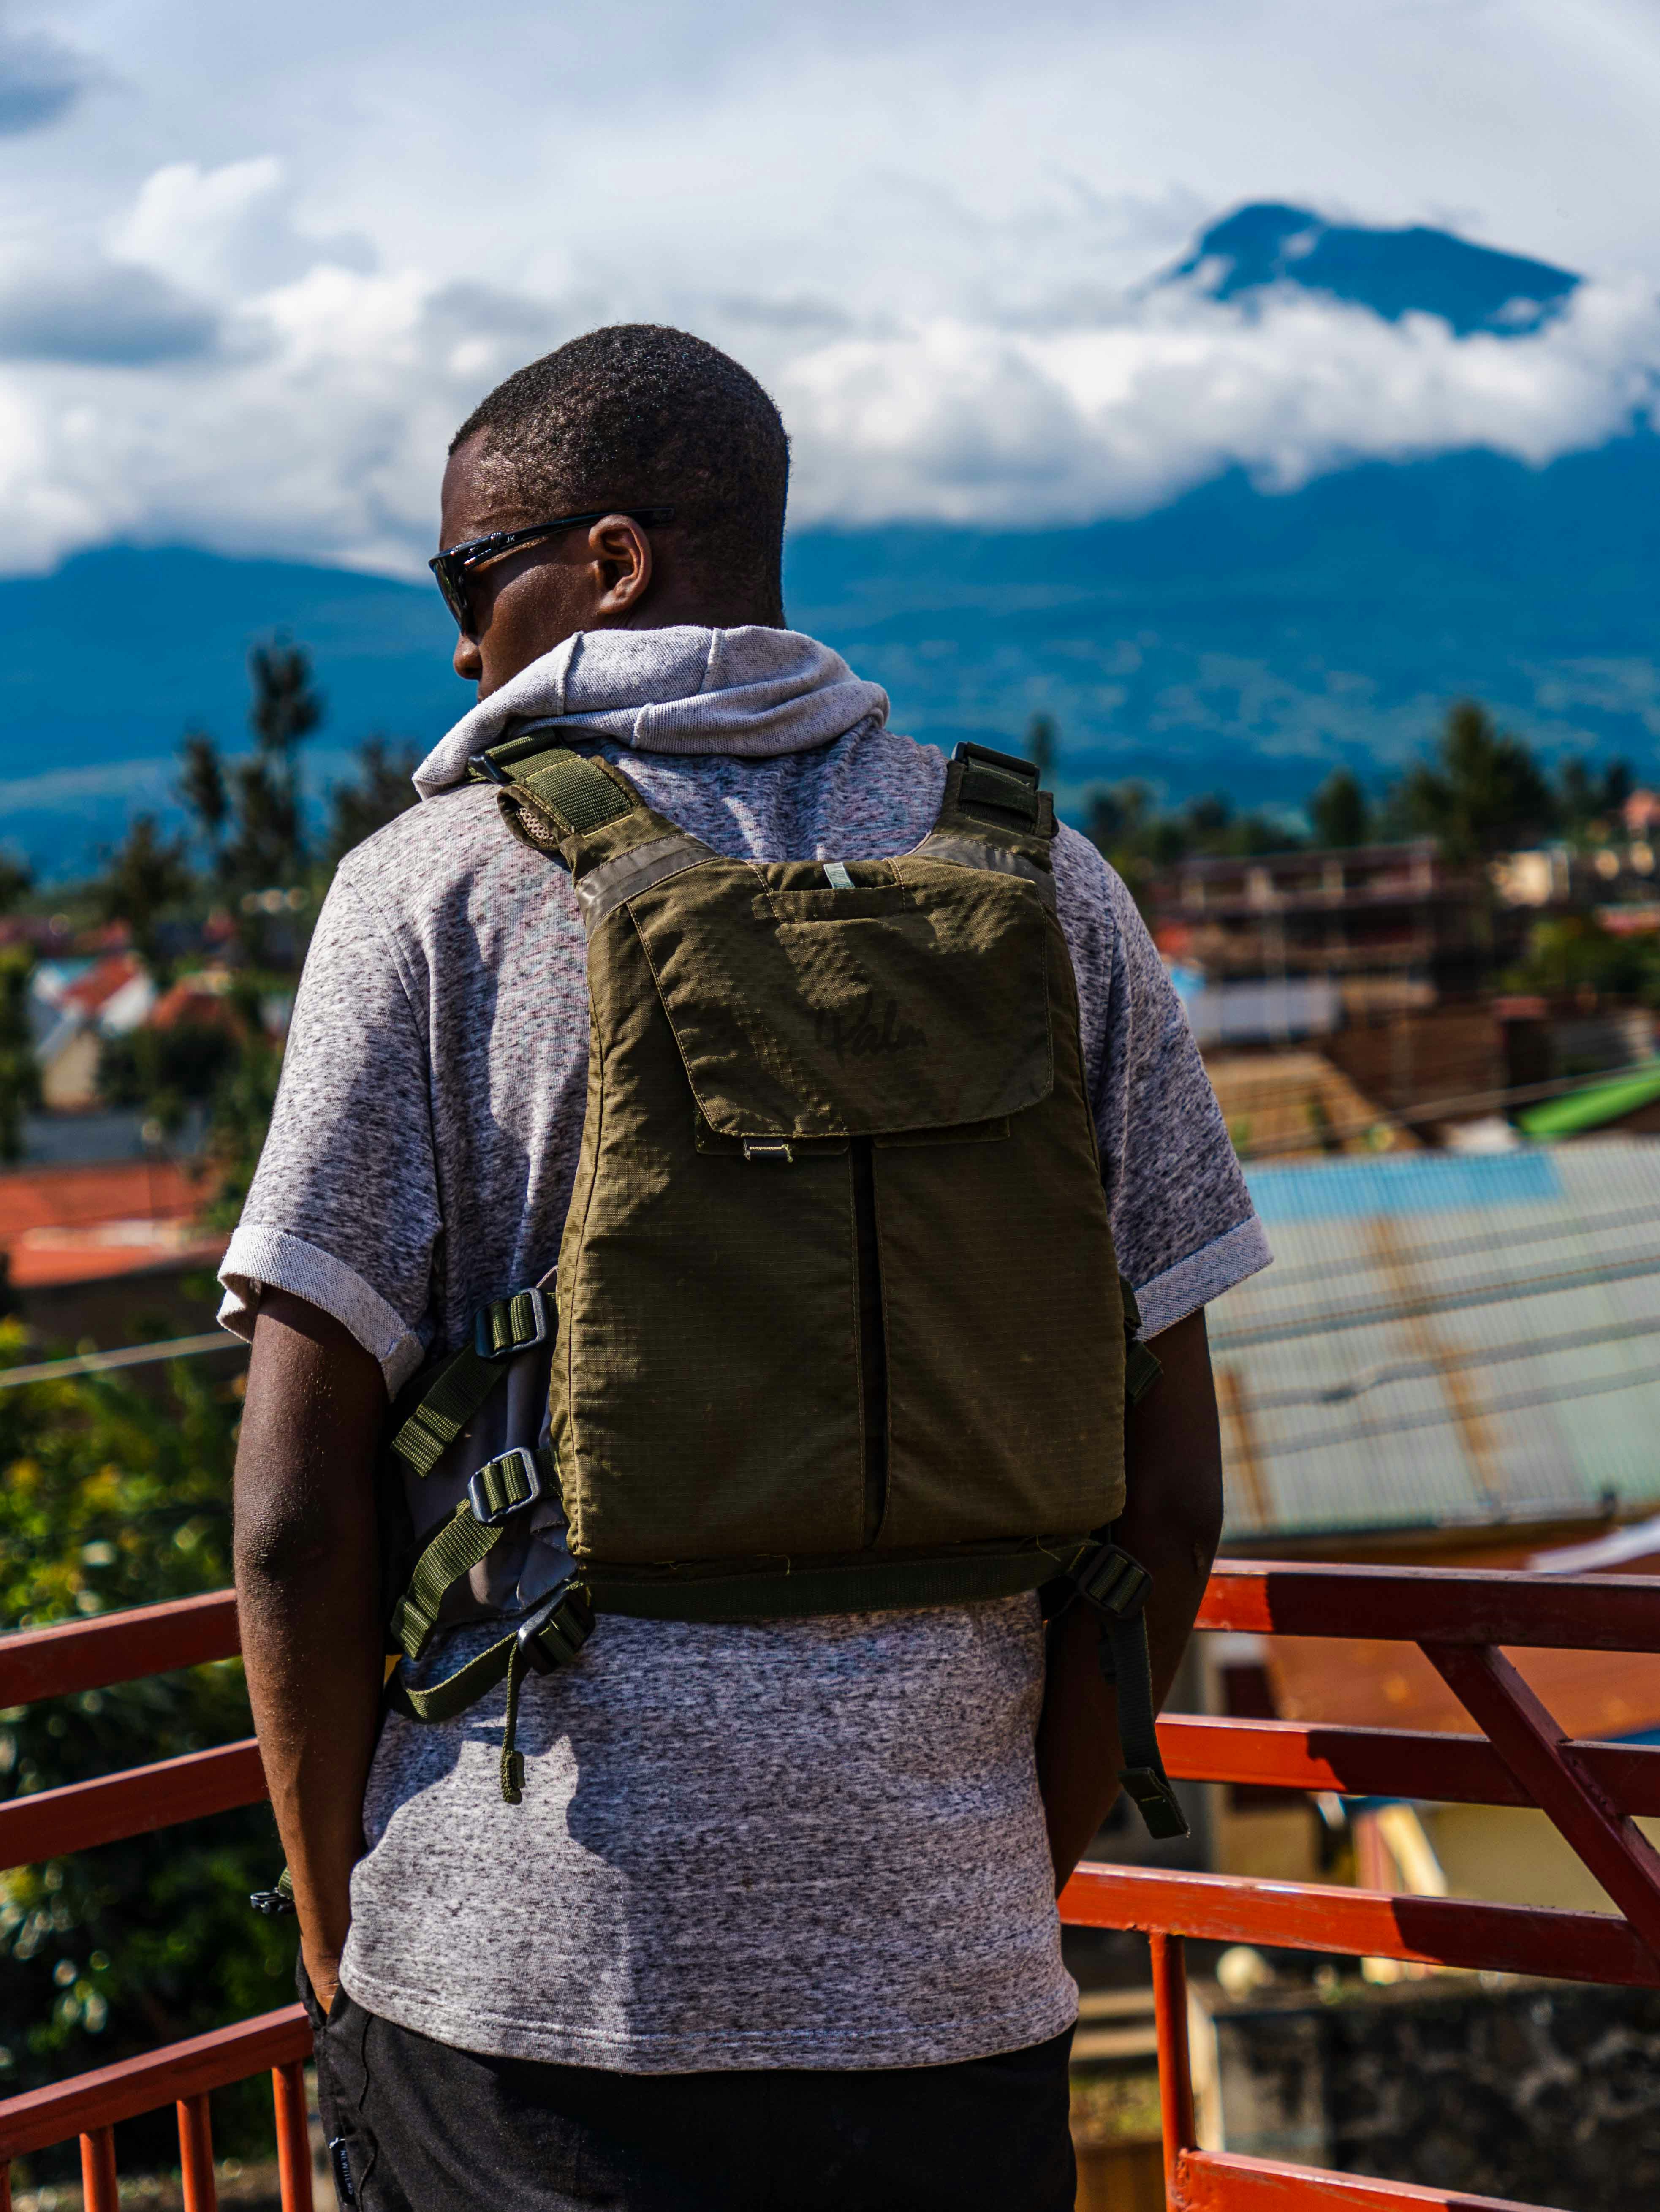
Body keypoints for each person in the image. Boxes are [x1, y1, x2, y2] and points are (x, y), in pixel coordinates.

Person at [226, 323, 1269, 2212]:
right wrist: (988, 1877)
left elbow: (295, 1517)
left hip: (530, 1984)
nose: (458, 649)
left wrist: (334, 1928)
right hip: (948, 1991)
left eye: (469, 581)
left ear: (612, 563)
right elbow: (1171, 1490)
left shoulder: (431, 890)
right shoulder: (1048, 882)